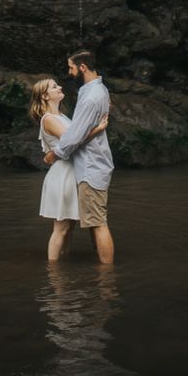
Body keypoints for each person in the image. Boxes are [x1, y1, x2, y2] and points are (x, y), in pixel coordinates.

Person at [43, 49, 115, 264]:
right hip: (95, 164)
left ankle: (107, 276)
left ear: (82, 67)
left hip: (91, 166)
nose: (69, 72)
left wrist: (55, 154)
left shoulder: (91, 97)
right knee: (95, 221)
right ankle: (104, 274)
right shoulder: (98, 91)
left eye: (71, 67)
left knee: (98, 223)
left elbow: (75, 135)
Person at [29, 77, 108, 261]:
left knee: (69, 227)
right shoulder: (48, 119)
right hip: (63, 175)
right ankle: (54, 273)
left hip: (73, 172)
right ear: (45, 96)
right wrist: (98, 129)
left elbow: (77, 135)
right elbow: (72, 142)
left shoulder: (63, 117)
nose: (60, 87)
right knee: (61, 228)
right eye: (54, 86)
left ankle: (63, 266)